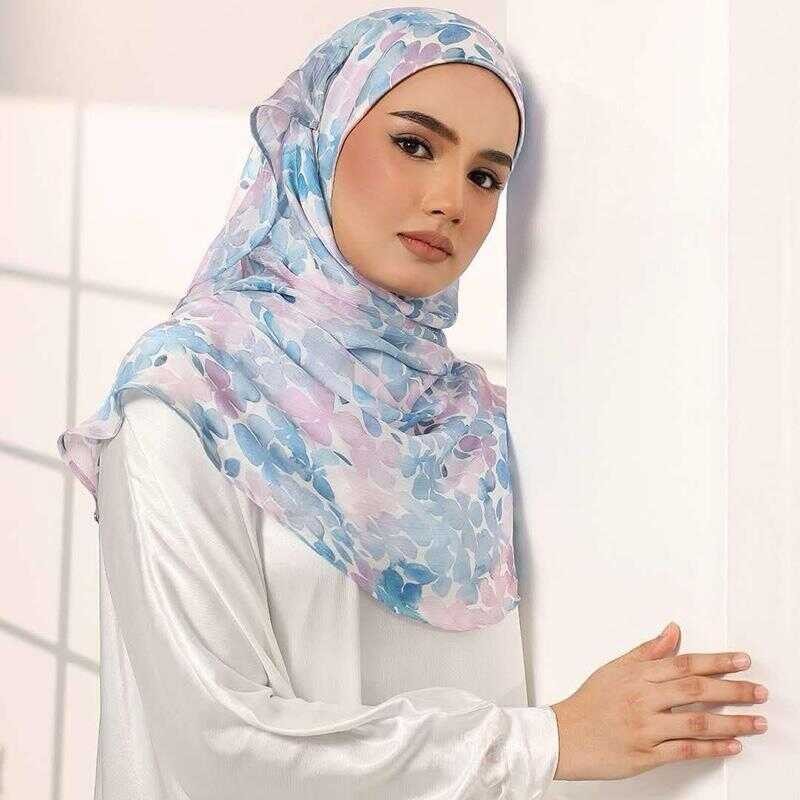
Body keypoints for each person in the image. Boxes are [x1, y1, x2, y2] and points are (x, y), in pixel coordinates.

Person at [57, 7, 769, 799]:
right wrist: (552, 740)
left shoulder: (475, 426)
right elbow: (217, 746)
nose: (450, 199)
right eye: (415, 145)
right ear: (321, 139)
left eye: (485, 177)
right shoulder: (184, 402)